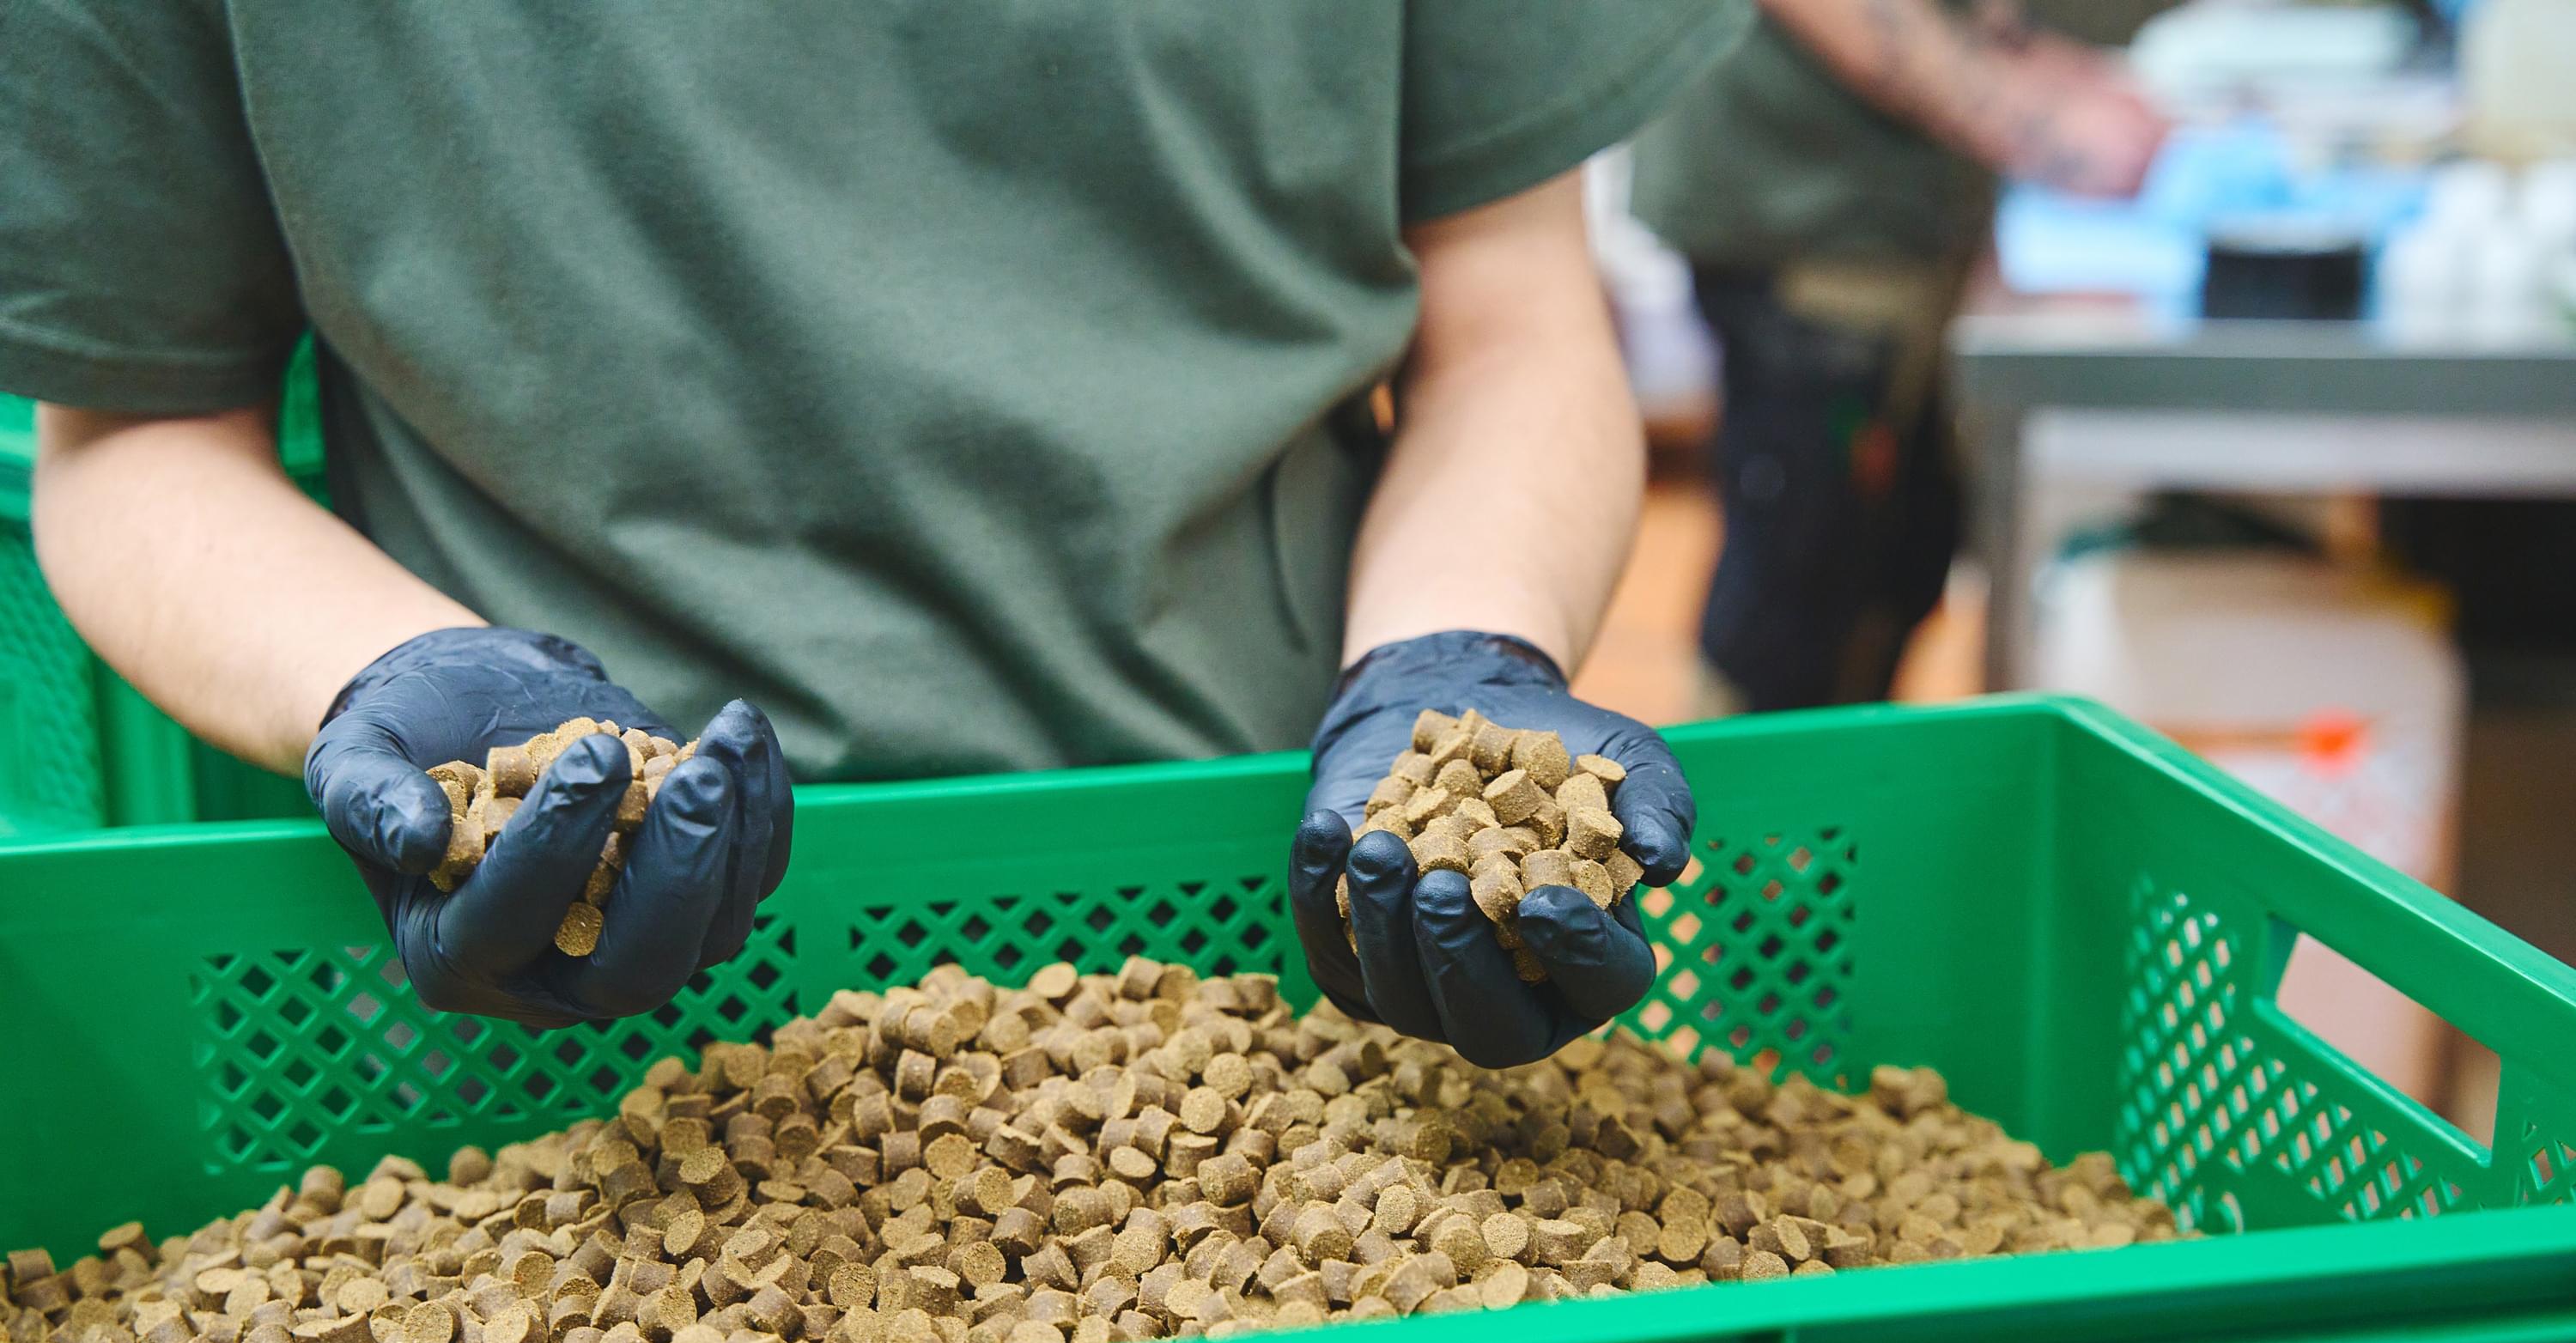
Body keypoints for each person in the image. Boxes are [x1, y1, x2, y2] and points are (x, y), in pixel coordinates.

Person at [1, 5, 1729, 1065]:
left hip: (1302, 956)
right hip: (575, 1030)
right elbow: (137, 427)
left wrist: (1455, 658)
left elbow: (1510, 318)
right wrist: (392, 682)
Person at [1628, 0, 2170, 710]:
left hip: (1894, 219)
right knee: (1800, 590)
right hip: (1813, 218)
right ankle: (1735, 783)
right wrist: (2026, 121)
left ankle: (1845, 776)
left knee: (1898, 563)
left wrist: (2037, 68)